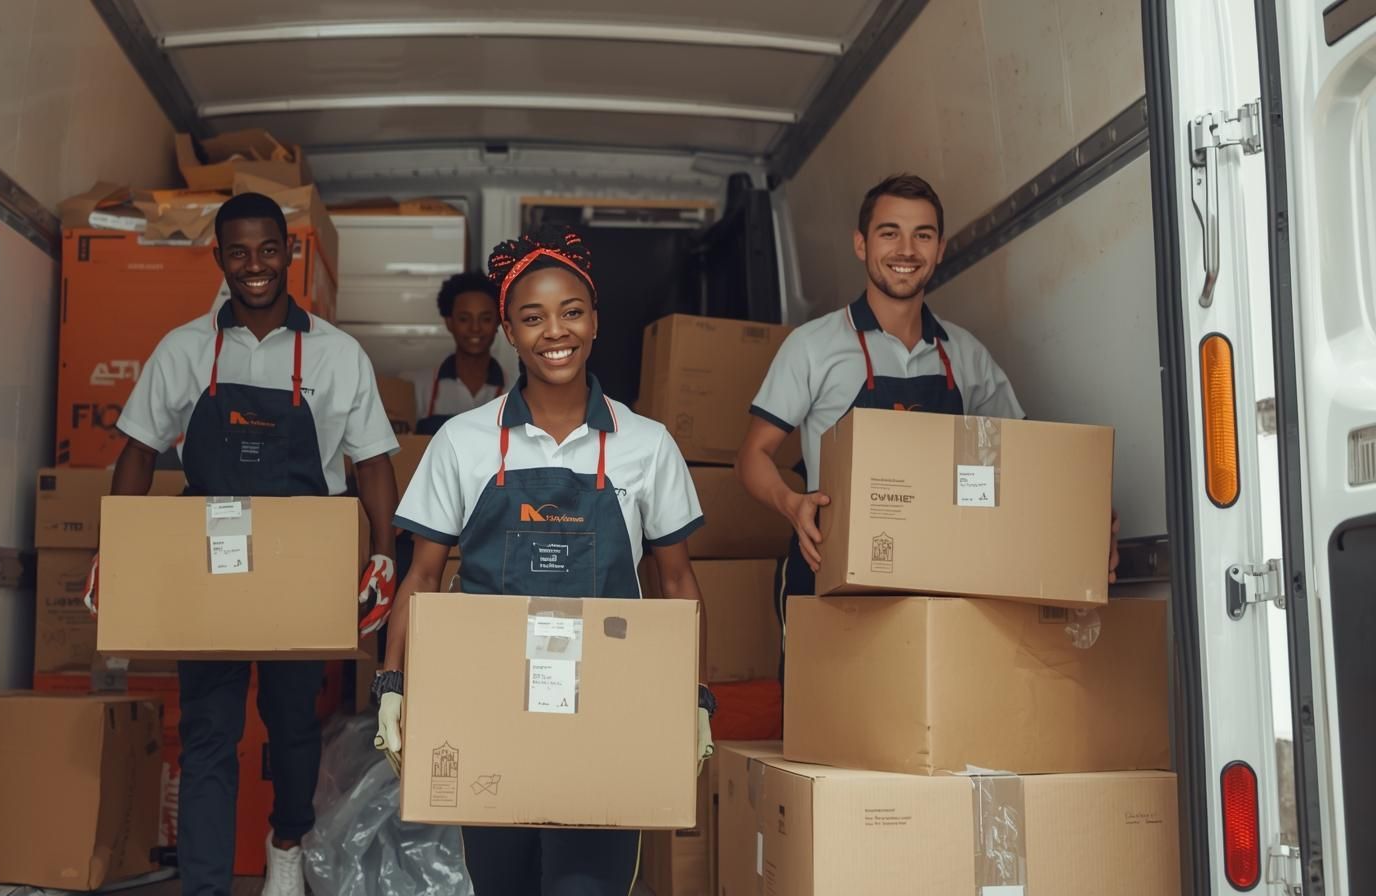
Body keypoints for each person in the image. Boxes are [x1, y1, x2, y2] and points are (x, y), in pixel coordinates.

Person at [368, 227, 717, 896]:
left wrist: (696, 697)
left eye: (571, 312)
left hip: (612, 711)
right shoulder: (462, 443)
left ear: (595, 322)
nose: (554, 332)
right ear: (509, 331)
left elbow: (677, 582)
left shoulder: (647, 445)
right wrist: (392, 684)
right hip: (488, 706)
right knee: (501, 885)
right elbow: (423, 575)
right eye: (532, 317)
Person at [92, 193, 402, 896]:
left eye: (268, 250)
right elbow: (138, 450)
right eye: (239, 252)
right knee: (207, 732)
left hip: (303, 565)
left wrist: (382, 553)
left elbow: (374, 462)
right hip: (206, 563)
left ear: (290, 253)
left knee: (293, 727)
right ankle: (203, 886)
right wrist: (120, 548)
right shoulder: (183, 349)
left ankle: (287, 839)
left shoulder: (337, 353)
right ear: (220, 258)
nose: (255, 266)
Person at [734, 173, 1120, 654]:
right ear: (861, 244)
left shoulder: (966, 355)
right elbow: (753, 456)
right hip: (829, 573)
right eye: (889, 232)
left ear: (940, 250)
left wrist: (1086, 518)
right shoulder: (813, 346)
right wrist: (792, 505)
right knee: (830, 721)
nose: (906, 249)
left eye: (923, 235)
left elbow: (1030, 458)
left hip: (946, 579)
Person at [405, 270, 506, 435]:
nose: (475, 328)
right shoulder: (417, 386)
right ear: (449, 322)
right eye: (464, 319)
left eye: (485, 319)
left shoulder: (516, 389)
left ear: (498, 323)